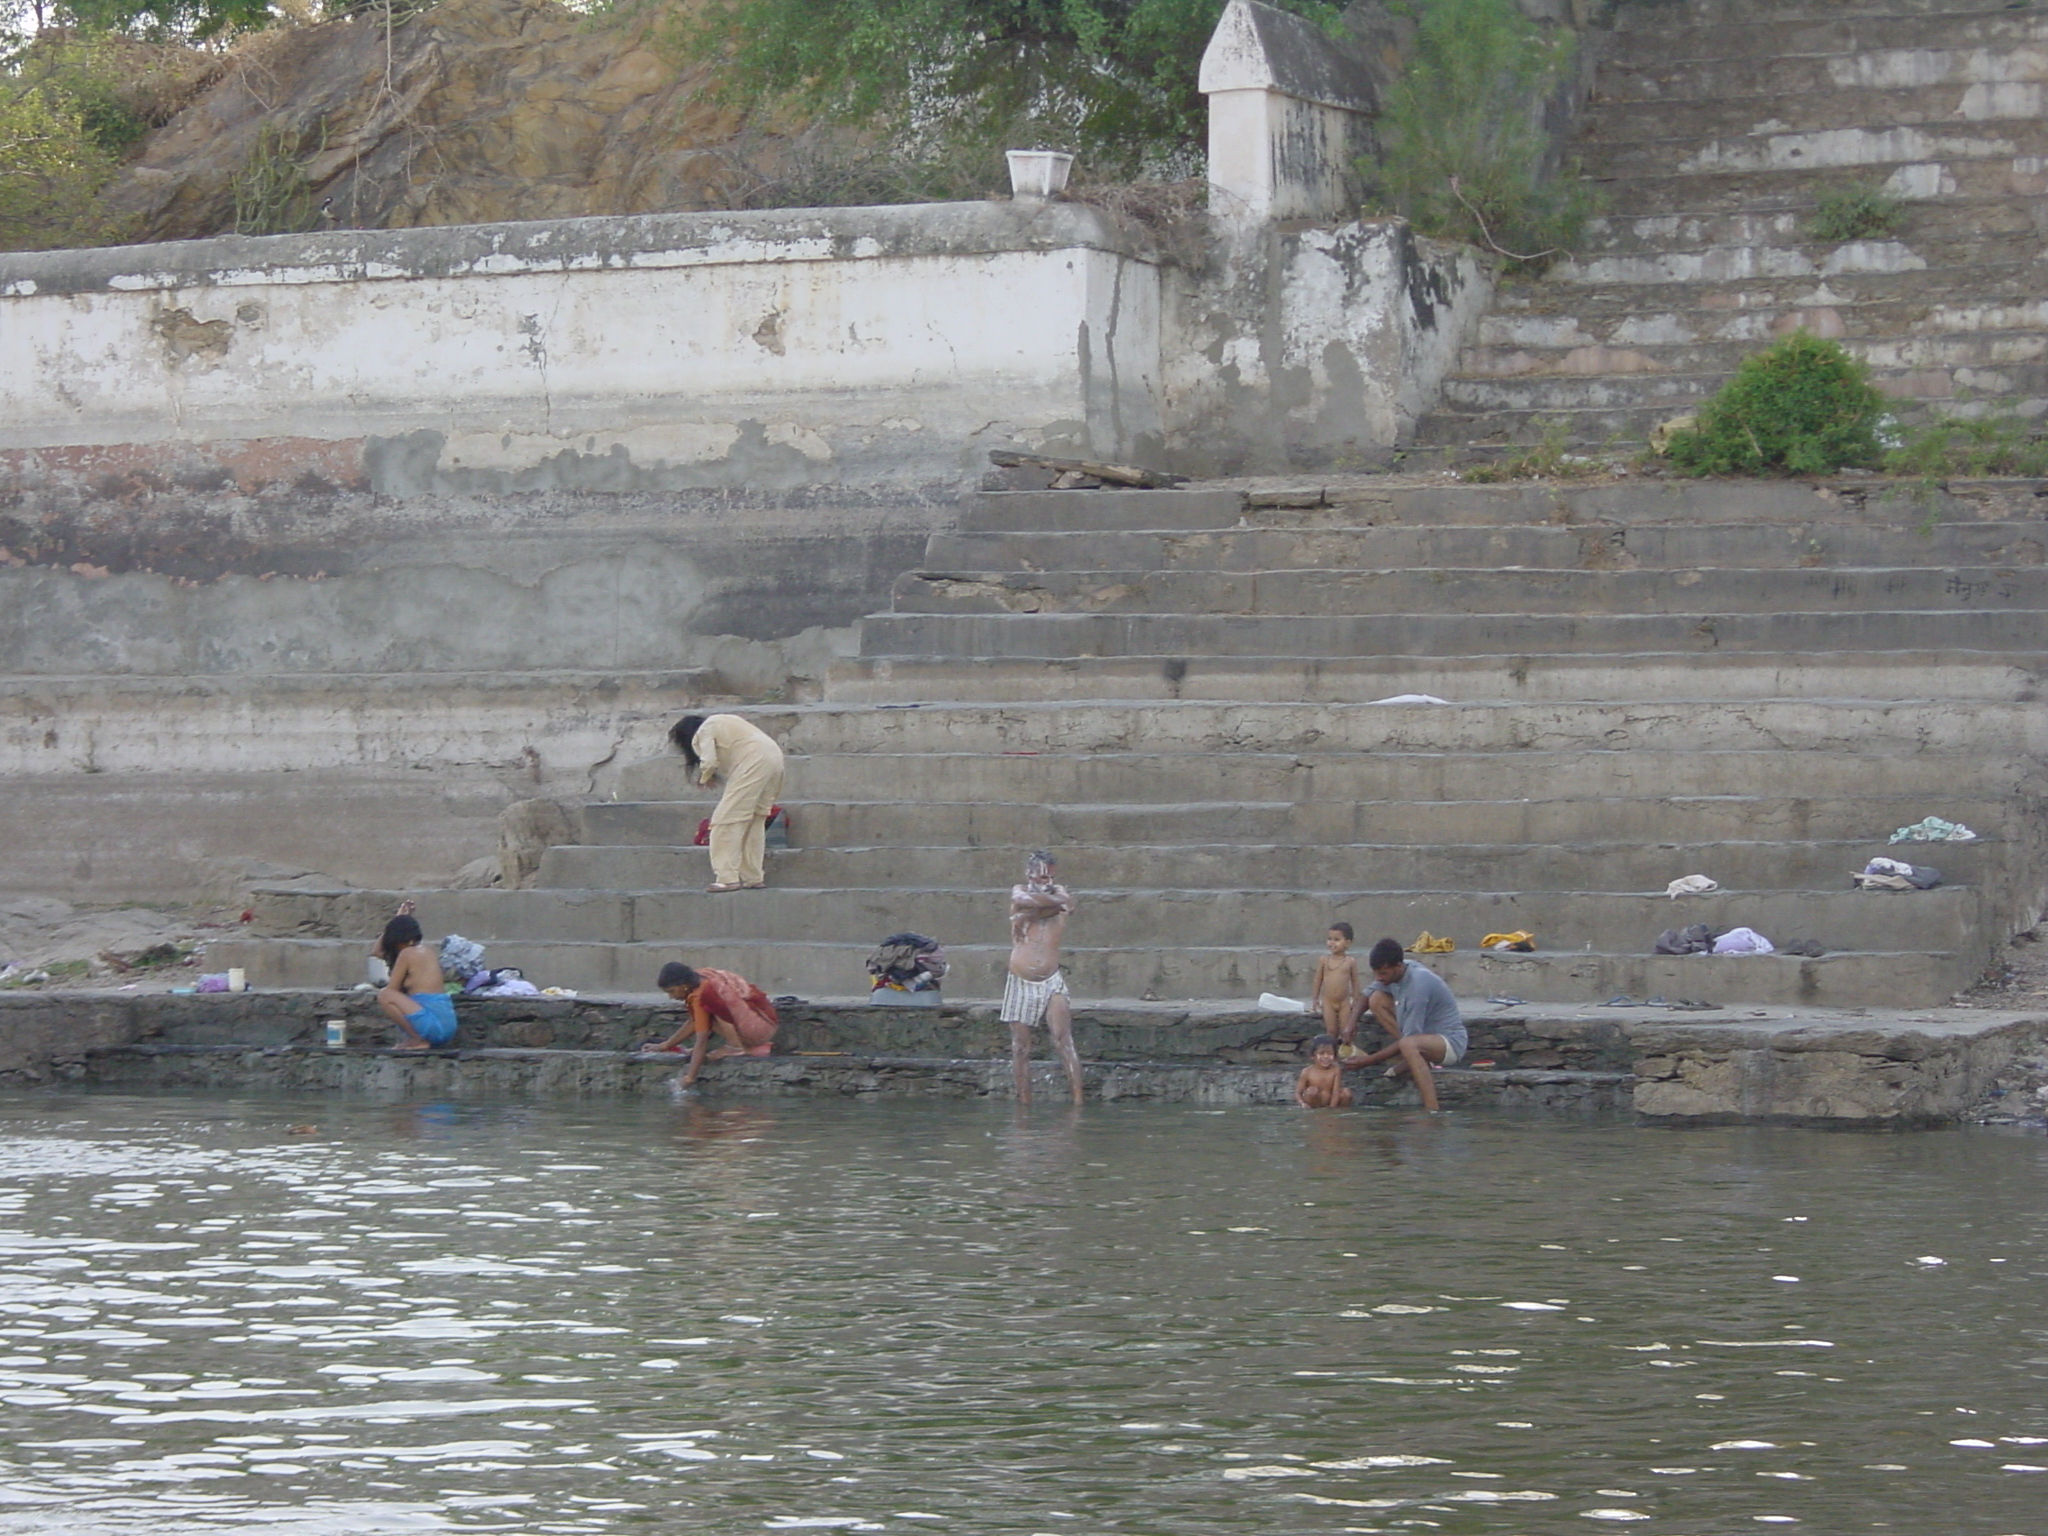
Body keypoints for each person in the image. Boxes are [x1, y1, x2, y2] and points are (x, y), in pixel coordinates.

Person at [1342, 936, 1466, 1113]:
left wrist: (1368, 1060)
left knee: (1409, 1044)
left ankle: (1432, 1110)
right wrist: (1350, 1025)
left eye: (1383, 974)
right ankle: (1414, 1061)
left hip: (1449, 1043)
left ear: (1398, 967)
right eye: (1376, 973)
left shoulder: (1418, 985)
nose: (1379, 978)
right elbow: (1365, 996)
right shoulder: (1397, 969)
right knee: (1376, 998)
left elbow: (1408, 1040)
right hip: (1421, 1036)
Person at [671, 712, 786, 893]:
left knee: (724, 821)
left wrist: (704, 777)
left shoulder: (705, 729)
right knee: (754, 820)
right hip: (776, 759)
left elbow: (708, 760)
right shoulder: (727, 720)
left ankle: (727, 879)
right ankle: (753, 878)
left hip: (754, 761)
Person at [1003, 850, 1084, 1105]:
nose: (1045, 882)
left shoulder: (1060, 893)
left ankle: (1078, 1105)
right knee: (1020, 1048)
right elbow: (1023, 900)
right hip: (1020, 980)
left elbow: (1068, 904)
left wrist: (1028, 916)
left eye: (1049, 877)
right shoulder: (1018, 892)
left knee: (1064, 1041)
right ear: (1029, 875)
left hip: (1052, 980)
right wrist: (1039, 907)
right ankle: (1023, 1107)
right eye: (1039, 877)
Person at [640, 961, 781, 1087]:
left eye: (672, 991)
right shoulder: (701, 978)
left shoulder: (702, 995)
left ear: (684, 986)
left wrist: (690, 1077)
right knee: (707, 1013)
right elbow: (694, 1021)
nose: (671, 997)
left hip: (760, 1027)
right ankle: (741, 1045)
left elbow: (701, 1040)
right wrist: (664, 1046)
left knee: (710, 1011)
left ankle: (735, 1047)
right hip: (765, 1021)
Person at [373, 912, 456, 1053]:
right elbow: (377, 952)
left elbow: (391, 990)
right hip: (446, 1025)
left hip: (434, 1024)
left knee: (384, 995)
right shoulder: (426, 951)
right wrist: (397, 918)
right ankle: (419, 1038)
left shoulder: (408, 954)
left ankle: (417, 1039)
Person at [1309, 921, 1363, 1050]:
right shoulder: (1324, 960)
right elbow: (1318, 980)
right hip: (1328, 1002)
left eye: (1337, 939)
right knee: (1331, 1030)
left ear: (1348, 943)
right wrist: (1315, 999)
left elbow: (1355, 982)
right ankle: (1331, 1054)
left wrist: (1356, 1000)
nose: (1332, 943)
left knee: (1346, 1031)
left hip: (1344, 1002)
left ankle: (1346, 1053)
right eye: (1329, 939)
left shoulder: (1350, 961)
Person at [1296, 1035, 1353, 1109]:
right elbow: (1298, 1092)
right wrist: (1302, 1103)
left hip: (1331, 1102)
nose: (1326, 1056)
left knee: (1346, 1092)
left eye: (1330, 1053)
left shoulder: (1335, 1069)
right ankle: (1314, 1113)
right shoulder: (1307, 1072)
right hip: (1314, 1102)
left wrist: (1332, 1108)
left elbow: (1336, 1092)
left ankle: (1341, 1111)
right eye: (1321, 1053)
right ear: (1313, 1056)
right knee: (1312, 1091)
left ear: (1335, 1055)